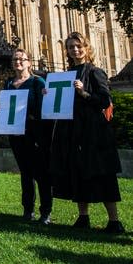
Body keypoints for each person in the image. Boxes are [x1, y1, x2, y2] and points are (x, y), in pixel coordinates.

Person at [50, 32, 124, 233]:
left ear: (86, 48)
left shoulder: (94, 72)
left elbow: (104, 100)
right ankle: (83, 217)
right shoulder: (67, 74)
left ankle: (114, 220)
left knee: (102, 174)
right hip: (73, 130)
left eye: (78, 46)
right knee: (78, 171)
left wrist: (84, 93)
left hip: (94, 131)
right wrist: (49, 95)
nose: (75, 50)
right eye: (71, 47)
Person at [0, 50, 52, 223]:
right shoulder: (8, 83)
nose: (18, 62)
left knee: (41, 173)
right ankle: (28, 210)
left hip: (34, 133)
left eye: (22, 59)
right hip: (16, 134)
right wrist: (1, 108)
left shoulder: (37, 82)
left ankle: (45, 211)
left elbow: (45, 108)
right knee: (25, 173)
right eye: (15, 59)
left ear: (29, 62)